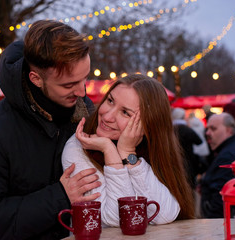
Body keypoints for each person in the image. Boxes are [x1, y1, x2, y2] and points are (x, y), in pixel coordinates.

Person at [0, 20, 98, 240]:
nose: (82, 91)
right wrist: (60, 196)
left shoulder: (86, 112)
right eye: (68, 84)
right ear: (36, 79)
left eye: (85, 78)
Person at [62, 74, 195, 227]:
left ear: (147, 126)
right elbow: (114, 219)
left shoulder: (152, 149)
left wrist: (127, 153)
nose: (107, 116)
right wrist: (109, 150)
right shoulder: (78, 146)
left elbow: (164, 215)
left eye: (125, 112)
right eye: (110, 101)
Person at [201, 112, 235, 218]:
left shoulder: (229, 156)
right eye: (207, 129)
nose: (207, 133)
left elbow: (221, 199)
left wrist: (212, 226)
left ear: (229, 130)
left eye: (213, 128)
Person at [171, 107, 202, 189]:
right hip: (189, 162)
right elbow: (199, 141)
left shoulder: (169, 130)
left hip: (174, 163)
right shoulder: (187, 129)